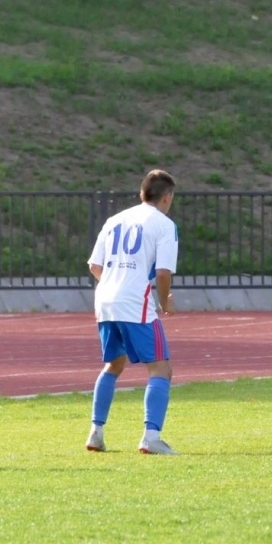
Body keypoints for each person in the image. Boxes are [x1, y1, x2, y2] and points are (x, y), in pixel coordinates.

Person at [85, 169, 179, 455]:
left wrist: (116, 284)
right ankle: (151, 436)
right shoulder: (163, 225)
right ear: (167, 197)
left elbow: (94, 265)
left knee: (114, 364)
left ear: (141, 194)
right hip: (134, 302)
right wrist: (164, 302)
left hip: (105, 299)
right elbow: (163, 273)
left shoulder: (114, 220)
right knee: (161, 367)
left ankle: (96, 433)